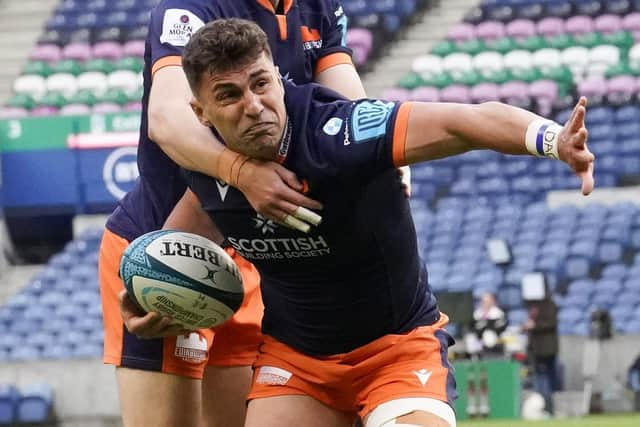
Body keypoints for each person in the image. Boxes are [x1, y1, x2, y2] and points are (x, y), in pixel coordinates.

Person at [163, 18, 595, 427]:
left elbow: (465, 123)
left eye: (260, 84)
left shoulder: (341, 130)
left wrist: (553, 140)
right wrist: (147, 298)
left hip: (398, 350)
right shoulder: (205, 166)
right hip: (295, 362)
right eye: (229, 95)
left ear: (277, 77)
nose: (254, 106)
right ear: (201, 113)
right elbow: (180, 239)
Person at [98, 1, 387, 426]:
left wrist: (387, 170)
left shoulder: (318, 6)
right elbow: (166, 118)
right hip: (165, 248)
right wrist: (243, 174)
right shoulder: (189, 7)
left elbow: (354, 112)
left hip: (253, 250)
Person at [523, 295, 560, 415]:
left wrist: (535, 326)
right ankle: (544, 406)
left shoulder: (549, 305)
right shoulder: (533, 306)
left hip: (547, 350)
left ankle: (549, 407)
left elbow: (551, 323)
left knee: (547, 379)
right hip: (536, 350)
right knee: (540, 379)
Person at [471, 292, 507, 356]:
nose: (485, 304)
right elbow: (474, 327)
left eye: (487, 301)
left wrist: (487, 325)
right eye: (483, 301)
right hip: (480, 340)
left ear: (492, 301)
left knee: (489, 335)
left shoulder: (499, 313)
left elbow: (501, 327)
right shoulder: (477, 313)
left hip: (496, 339)